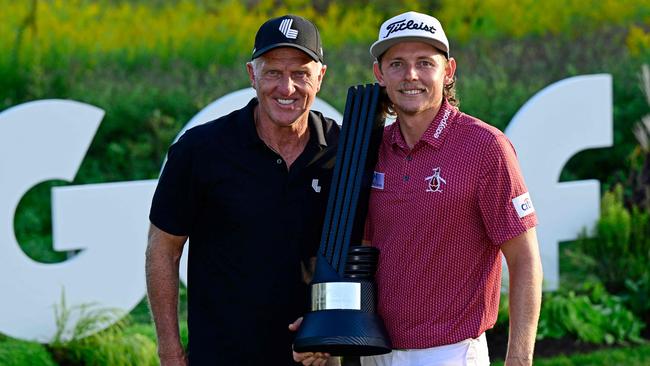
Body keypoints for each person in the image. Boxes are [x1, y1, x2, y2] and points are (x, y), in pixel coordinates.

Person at [295, 10, 543, 366]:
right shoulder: (369, 150)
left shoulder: (486, 148)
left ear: (449, 70)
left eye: (424, 62)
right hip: (376, 350)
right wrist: (327, 323)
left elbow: (525, 260)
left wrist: (519, 359)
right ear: (379, 74)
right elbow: (356, 254)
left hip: (452, 353)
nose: (411, 75)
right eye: (396, 64)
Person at [146, 14, 339, 366]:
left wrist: (332, 324)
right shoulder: (200, 150)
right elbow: (163, 249)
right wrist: (170, 352)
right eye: (273, 73)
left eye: (300, 73)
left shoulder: (344, 152)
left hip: (312, 358)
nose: (287, 87)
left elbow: (366, 247)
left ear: (320, 78)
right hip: (221, 355)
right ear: (252, 74)